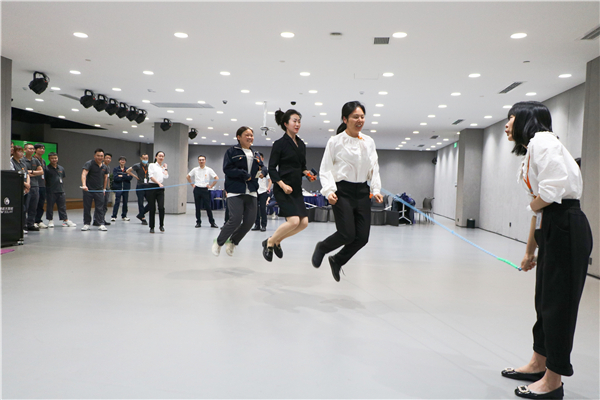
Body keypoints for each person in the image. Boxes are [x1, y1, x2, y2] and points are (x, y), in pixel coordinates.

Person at [500, 101, 592, 400]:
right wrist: (530, 251)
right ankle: (538, 363)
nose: (507, 124)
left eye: (511, 118)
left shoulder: (543, 141)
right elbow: (540, 209)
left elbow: (550, 194)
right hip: (552, 224)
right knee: (544, 302)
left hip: (566, 225)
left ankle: (554, 380)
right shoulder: (532, 149)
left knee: (558, 307)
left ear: (527, 119)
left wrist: (533, 206)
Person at [311, 101, 382, 281]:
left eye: (362, 117)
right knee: (347, 234)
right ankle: (322, 247)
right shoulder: (335, 141)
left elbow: (374, 167)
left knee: (362, 237)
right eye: (355, 117)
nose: (360, 120)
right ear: (345, 119)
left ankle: (337, 260)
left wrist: (376, 189)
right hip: (342, 191)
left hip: (362, 191)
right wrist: (328, 191)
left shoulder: (369, 142)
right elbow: (325, 169)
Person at [262, 109, 313, 261]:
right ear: (286, 124)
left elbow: (302, 166)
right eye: (294, 121)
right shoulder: (279, 144)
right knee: (294, 221)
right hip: (283, 188)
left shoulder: (301, 144)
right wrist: (283, 185)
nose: (297, 124)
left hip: (296, 188)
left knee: (303, 223)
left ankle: (277, 241)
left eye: (299, 121)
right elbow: (272, 168)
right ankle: (269, 243)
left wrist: (308, 174)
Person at [212, 126, 261, 257]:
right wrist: (244, 174)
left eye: (251, 135)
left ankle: (233, 241)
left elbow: (262, 167)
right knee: (235, 219)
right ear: (239, 137)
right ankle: (219, 242)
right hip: (235, 190)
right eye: (247, 135)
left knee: (250, 221)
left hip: (251, 191)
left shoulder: (256, 153)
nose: (250, 137)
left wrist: (264, 171)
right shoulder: (232, 151)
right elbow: (227, 169)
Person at [44, 152, 76, 227]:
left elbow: (62, 177)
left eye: (55, 158)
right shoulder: (46, 168)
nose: (54, 160)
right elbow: (44, 180)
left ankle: (65, 220)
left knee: (62, 206)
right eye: (52, 158)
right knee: (50, 206)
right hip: (51, 191)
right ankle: (50, 220)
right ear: (49, 159)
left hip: (61, 190)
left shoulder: (61, 168)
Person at [81, 148, 110, 231]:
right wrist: (84, 185)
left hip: (99, 190)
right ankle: (86, 224)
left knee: (100, 208)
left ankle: (101, 223)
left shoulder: (104, 167)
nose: (100, 157)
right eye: (98, 156)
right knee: (87, 207)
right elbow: (84, 174)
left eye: (101, 156)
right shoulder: (89, 164)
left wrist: (104, 189)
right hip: (88, 190)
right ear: (94, 156)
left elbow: (105, 178)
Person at [187, 155, 219, 228]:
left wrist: (211, 186)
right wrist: (192, 185)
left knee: (208, 207)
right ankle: (198, 222)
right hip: (197, 189)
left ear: (205, 161)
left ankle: (212, 222)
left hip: (205, 189)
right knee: (197, 206)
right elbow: (188, 176)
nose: (201, 161)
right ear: (198, 161)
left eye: (203, 160)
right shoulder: (195, 169)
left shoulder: (209, 169)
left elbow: (216, 178)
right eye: (200, 160)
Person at [10, 145, 31, 234]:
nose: (21, 153)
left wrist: (28, 184)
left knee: (25, 208)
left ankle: (23, 226)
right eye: (19, 151)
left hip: (25, 189)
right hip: (17, 188)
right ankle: (17, 228)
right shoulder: (11, 162)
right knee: (19, 208)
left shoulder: (22, 162)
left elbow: (27, 174)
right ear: (14, 152)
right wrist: (25, 184)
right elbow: (15, 175)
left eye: (22, 151)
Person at [147, 151, 168, 233]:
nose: (161, 157)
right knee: (152, 208)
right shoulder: (152, 165)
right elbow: (151, 176)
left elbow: (166, 176)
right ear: (156, 157)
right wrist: (158, 183)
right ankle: (152, 227)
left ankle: (161, 225)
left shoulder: (162, 167)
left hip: (160, 188)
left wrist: (165, 168)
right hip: (152, 187)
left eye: (162, 156)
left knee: (161, 207)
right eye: (159, 156)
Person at [23, 143, 43, 231]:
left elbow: (41, 172)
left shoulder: (35, 160)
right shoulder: (22, 160)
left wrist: (31, 172)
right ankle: (23, 225)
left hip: (35, 186)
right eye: (29, 148)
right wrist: (33, 173)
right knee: (25, 207)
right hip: (26, 186)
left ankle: (30, 224)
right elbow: (24, 172)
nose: (31, 150)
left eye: (32, 149)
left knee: (33, 207)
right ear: (25, 150)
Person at [127, 153, 150, 225]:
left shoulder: (150, 166)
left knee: (151, 202)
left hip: (148, 186)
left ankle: (140, 214)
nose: (145, 159)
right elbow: (128, 170)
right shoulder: (137, 165)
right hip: (140, 186)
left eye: (146, 158)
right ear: (141, 158)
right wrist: (135, 176)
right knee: (141, 202)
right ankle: (142, 218)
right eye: (144, 158)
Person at [252, 152, 271, 232]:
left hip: (263, 191)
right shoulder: (253, 169)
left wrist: (268, 189)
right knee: (255, 209)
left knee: (263, 209)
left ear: (262, 159)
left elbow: (270, 180)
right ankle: (257, 225)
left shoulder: (265, 169)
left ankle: (263, 225)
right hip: (255, 191)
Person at [111, 156, 133, 221]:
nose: (122, 161)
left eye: (123, 160)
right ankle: (114, 216)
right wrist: (125, 176)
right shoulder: (116, 169)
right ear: (119, 161)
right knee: (117, 202)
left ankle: (124, 216)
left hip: (126, 188)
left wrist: (121, 176)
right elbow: (115, 178)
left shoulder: (128, 169)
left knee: (125, 202)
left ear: (125, 161)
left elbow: (130, 177)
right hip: (118, 188)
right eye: (121, 160)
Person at [33, 143, 48, 228]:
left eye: (43, 148)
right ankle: (32, 221)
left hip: (42, 185)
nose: (42, 150)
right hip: (35, 184)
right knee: (34, 204)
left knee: (41, 204)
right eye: (40, 148)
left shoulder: (43, 161)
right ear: (35, 150)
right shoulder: (33, 160)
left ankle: (39, 220)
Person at [101, 153, 112, 225]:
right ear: (104, 158)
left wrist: (109, 186)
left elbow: (108, 178)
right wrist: (103, 188)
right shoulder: (101, 166)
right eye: (107, 158)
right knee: (100, 205)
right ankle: (98, 219)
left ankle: (102, 219)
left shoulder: (108, 167)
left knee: (105, 205)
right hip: (101, 188)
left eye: (109, 158)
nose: (108, 159)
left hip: (107, 188)